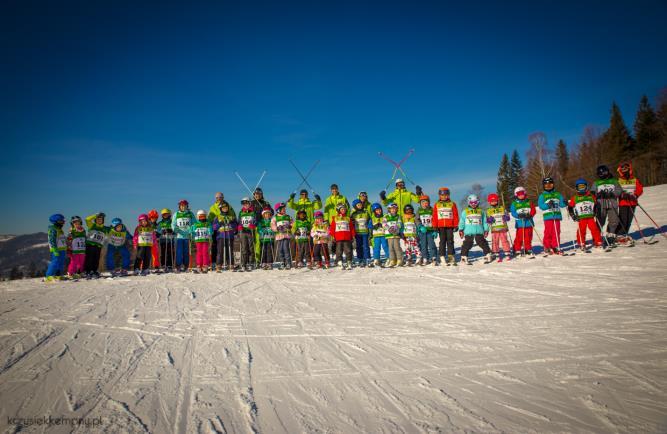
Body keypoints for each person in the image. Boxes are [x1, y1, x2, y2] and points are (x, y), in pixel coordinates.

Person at [590, 164, 622, 245]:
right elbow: (592, 192)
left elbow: (619, 190)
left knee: (614, 220)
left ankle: (610, 236)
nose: (603, 175)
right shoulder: (596, 182)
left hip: (612, 204)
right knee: (600, 221)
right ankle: (596, 237)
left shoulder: (614, 181)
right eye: (601, 174)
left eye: (604, 172)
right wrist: (597, 194)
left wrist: (612, 194)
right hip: (601, 205)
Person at [568, 179, 603, 250]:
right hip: (581, 217)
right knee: (581, 230)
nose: (581, 189)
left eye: (583, 187)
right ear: (577, 188)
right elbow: (570, 207)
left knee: (595, 229)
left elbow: (596, 204)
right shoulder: (575, 198)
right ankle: (581, 242)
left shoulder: (591, 196)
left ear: (586, 187)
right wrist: (573, 215)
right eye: (580, 187)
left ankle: (598, 241)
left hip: (590, 216)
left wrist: (596, 210)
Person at [458, 194, 492, 264]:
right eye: (471, 203)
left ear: (478, 202)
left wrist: (486, 230)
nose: (473, 204)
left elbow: (484, 221)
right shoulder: (465, 211)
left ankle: (488, 254)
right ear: (468, 202)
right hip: (469, 231)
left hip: (479, 231)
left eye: (475, 202)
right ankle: (464, 257)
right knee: (467, 244)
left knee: (482, 242)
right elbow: (462, 221)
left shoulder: (481, 211)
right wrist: (461, 229)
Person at [616, 161, 643, 245]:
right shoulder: (619, 180)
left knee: (629, 220)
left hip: (632, 203)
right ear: (620, 170)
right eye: (622, 169)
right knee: (623, 219)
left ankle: (625, 235)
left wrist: (635, 195)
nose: (624, 170)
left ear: (629, 169)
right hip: (623, 203)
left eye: (626, 168)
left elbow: (640, 189)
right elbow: (616, 190)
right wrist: (621, 194)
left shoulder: (634, 179)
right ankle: (619, 236)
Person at [537, 177, 566, 255]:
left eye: (550, 185)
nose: (548, 186)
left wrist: (565, 202)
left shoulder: (557, 194)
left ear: (553, 185)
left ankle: (555, 246)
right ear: (543, 186)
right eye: (546, 185)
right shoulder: (542, 195)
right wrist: (547, 205)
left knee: (556, 232)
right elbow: (541, 206)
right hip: (548, 216)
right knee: (548, 232)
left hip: (556, 215)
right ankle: (547, 246)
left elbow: (562, 204)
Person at [433, 187, 459, 265]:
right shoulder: (437, 204)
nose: (444, 197)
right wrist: (435, 225)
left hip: (450, 225)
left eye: (446, 195)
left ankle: (451, 256)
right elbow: (434, 216)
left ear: (448, 195)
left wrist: (456, 224)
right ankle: (442, 256)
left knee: (450, 241)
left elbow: (455, 215)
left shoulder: (452, 204)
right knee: (442, 241)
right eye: (442, 195)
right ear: (439, 196)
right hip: (441, 226)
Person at [208, 192, 237, 264]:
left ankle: (229, 262)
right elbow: (210, 219)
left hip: (227, 230)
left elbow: (233, 217)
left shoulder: (228, 206)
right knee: (217, 247)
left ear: (223, 197)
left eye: (220, 197)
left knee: (228, 248)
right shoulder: (213, 207)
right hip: (218, 230)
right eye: (217, 198)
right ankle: (215, 263)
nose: (219, 199)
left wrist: (233, 225)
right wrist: (213, 227)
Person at [324, 184, 349, 262]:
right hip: (333, 221)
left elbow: (348, 208)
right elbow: (326, 211)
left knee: (342, 238)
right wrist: (326, 220)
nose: (334, 190)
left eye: (335, 189)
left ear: (338, 189)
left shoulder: (343, 198)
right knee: (333, 238)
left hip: (342, 221)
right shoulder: (328, 199)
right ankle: (335, 254)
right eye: (333, 189)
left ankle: (346, 255)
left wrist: (347, 218)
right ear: (331, 190)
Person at [510, 186, 536, 257]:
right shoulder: (514, 203)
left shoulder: (529, 202)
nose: (521, 195)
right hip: (520, 224)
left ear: (525, 193)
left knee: (528, 237)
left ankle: (528, 249)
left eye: (522, 193)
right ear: (516, 195)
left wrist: (530, 215)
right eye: (519, 194)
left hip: (529, 223)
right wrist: (518, 215)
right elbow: (513, 212)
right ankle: (517, 249)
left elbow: (533, 210)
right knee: (519, 237)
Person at [486, 193, 512, 262]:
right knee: (495, 241)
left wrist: (506, 217)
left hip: (503, 228)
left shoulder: (502, 208)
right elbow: (487, 220)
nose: (493, 202)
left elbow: (508, 216)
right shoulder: (488, 210)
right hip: (494, 229)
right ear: (489, 202)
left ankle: (507, 252)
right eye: (492, 201)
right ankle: (496, 253)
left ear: (497, 200)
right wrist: (489, 220)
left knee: (504, 240)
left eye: (495, 200)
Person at [212, 202, 238, 271]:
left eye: (226, 208)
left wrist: (232, 224)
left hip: (229, 236)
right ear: (221, 209)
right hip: (221, 236)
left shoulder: (231, 217)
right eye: (223, 208)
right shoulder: (217, 217)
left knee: (229, 251)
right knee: (220, 251)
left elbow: (236, 226)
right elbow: (214, 227)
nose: (225, 209)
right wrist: (220, 224)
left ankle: (231, 264)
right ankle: (219, 265)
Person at [172, 199, 195, 272]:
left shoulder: (190, 213)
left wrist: (192, 230)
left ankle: (186, 265)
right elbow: (173, 224)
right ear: (179, 206)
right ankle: (178, 265)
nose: (183, 207)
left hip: (187, 236)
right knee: (179, 252)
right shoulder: (176, 214)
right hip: (179, 236)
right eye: (181, 206)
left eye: (184, 206)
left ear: (187, 206)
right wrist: (175, 229)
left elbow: (194, 223)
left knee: (186, 252)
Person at [330, 203, 355, 269]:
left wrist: (353, 235)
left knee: (348, 250)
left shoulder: (348, 218)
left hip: (347, 237)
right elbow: (332, 228)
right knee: (339, 251)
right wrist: (332, 236)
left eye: (344, 209)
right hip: (338, 238)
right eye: (342, 209)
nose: (343, 210)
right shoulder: (335, 218)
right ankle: (339, 261)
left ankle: (349, 261)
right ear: (338, 210)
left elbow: (351, 228)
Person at [84, 212, 109, 278]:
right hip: (90, 245)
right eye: (98, 219)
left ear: (103, 220)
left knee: (96, 259)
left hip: (98, 246)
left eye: (101, 219)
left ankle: (94, 271)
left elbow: (112, 231)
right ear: (95, 220)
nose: (99, 220)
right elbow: (87, 219)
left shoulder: (105, 228)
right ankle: (87, 271)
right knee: (89, 259)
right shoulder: (92, 225)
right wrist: (95, 215)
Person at [251, 187, 272, 263]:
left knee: (259, 243)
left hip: (262, 225)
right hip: (253, 225)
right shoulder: (251, 203)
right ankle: (253, 259)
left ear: (262, 195)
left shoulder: (265, 203)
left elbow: (271, 212)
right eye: (256, 194)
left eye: (259, 194)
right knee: (252, 243)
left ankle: (259, 260)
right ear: (254, 195)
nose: (258, 195)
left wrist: (266, 208)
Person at [416, 195, 438, 265]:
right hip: (422, 231)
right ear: (420, 203)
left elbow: (435, 220)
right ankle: (425, 258)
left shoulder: (431, 210)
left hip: (430, 230)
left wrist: (435, 230)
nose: (424, 204)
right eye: (422, 202)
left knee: (431, 245)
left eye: (426, 202)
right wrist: (420, 226)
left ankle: (433, 257)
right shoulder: (419, 210)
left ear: (429, 202)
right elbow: (416, 219)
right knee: (423, 245)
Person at [45, 214, 67, 282]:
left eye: (63, 221)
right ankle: (49, 276)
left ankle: (58, 275)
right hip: (56, 249)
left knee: (61, 262)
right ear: (56, 221)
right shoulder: (53, 229)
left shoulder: (59, 229)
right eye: (61, 221)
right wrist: (54, 249)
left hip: (62, 249)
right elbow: (52, 240)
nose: (63, 222)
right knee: (55, 262)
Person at [237, 197, 257, 271]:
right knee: (244, 248)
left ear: (250, 203)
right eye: (244, 204)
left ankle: (251, 263)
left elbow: (255, 221)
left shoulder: (253, 212)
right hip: (243, 232)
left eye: (246, 203)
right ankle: (244, 263)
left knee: (251, 247)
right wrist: (239, 226)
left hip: (250, 231)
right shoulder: (241, 212)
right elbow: (239, 221)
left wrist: (253, 225)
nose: (245, 205)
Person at [271, 202, 293, 269]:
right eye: (282, 209)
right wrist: (277, 228)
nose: (284, 210)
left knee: (286, 248)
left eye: (284, 208)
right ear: (278, 210)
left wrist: (290, 226)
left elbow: (292, 223)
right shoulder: (275, 218)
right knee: (280, 250)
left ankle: (288, 262)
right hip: (279, 236)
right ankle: (282, 262)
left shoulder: (288, 216)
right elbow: (272, 225)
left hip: (286, 235)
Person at [351, 199, 372, 266]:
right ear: (355, 206)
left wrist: (370, 227)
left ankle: (367, 258)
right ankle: (360, 259)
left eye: (360, 204)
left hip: (365, 232)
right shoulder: (353, 214)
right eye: (358, 205)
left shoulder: (366, 212)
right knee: (359, 246)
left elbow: (369, 220)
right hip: (358, 233)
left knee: (366, 246)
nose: (360, 206)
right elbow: (351, 222)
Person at [383, 202, 403, 267]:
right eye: (392, 209)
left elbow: (399, 223)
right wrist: (389, 228)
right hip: (389, 235)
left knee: (397, 247)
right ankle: (392, 260)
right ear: (389, 209)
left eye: (395, 209)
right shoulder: (386, 216)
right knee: (391, 248)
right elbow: (384, 224)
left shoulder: (398, 216)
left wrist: (395, 228)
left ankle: (399, 259)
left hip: (396, 234)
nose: (393, 210)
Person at [370, 203, 389, 267]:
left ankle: (389, 258)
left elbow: (387, 225)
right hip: (376, 236)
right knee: (376, 248)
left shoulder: (384, 217)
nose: (379, 211)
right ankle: (376, 259)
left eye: (380, 209)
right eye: (377, 210)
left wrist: (382, 225)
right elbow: (369, 226)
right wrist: (374, 226)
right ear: (374, 211)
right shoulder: (372, 218)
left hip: (383, 235)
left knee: (385, 246)